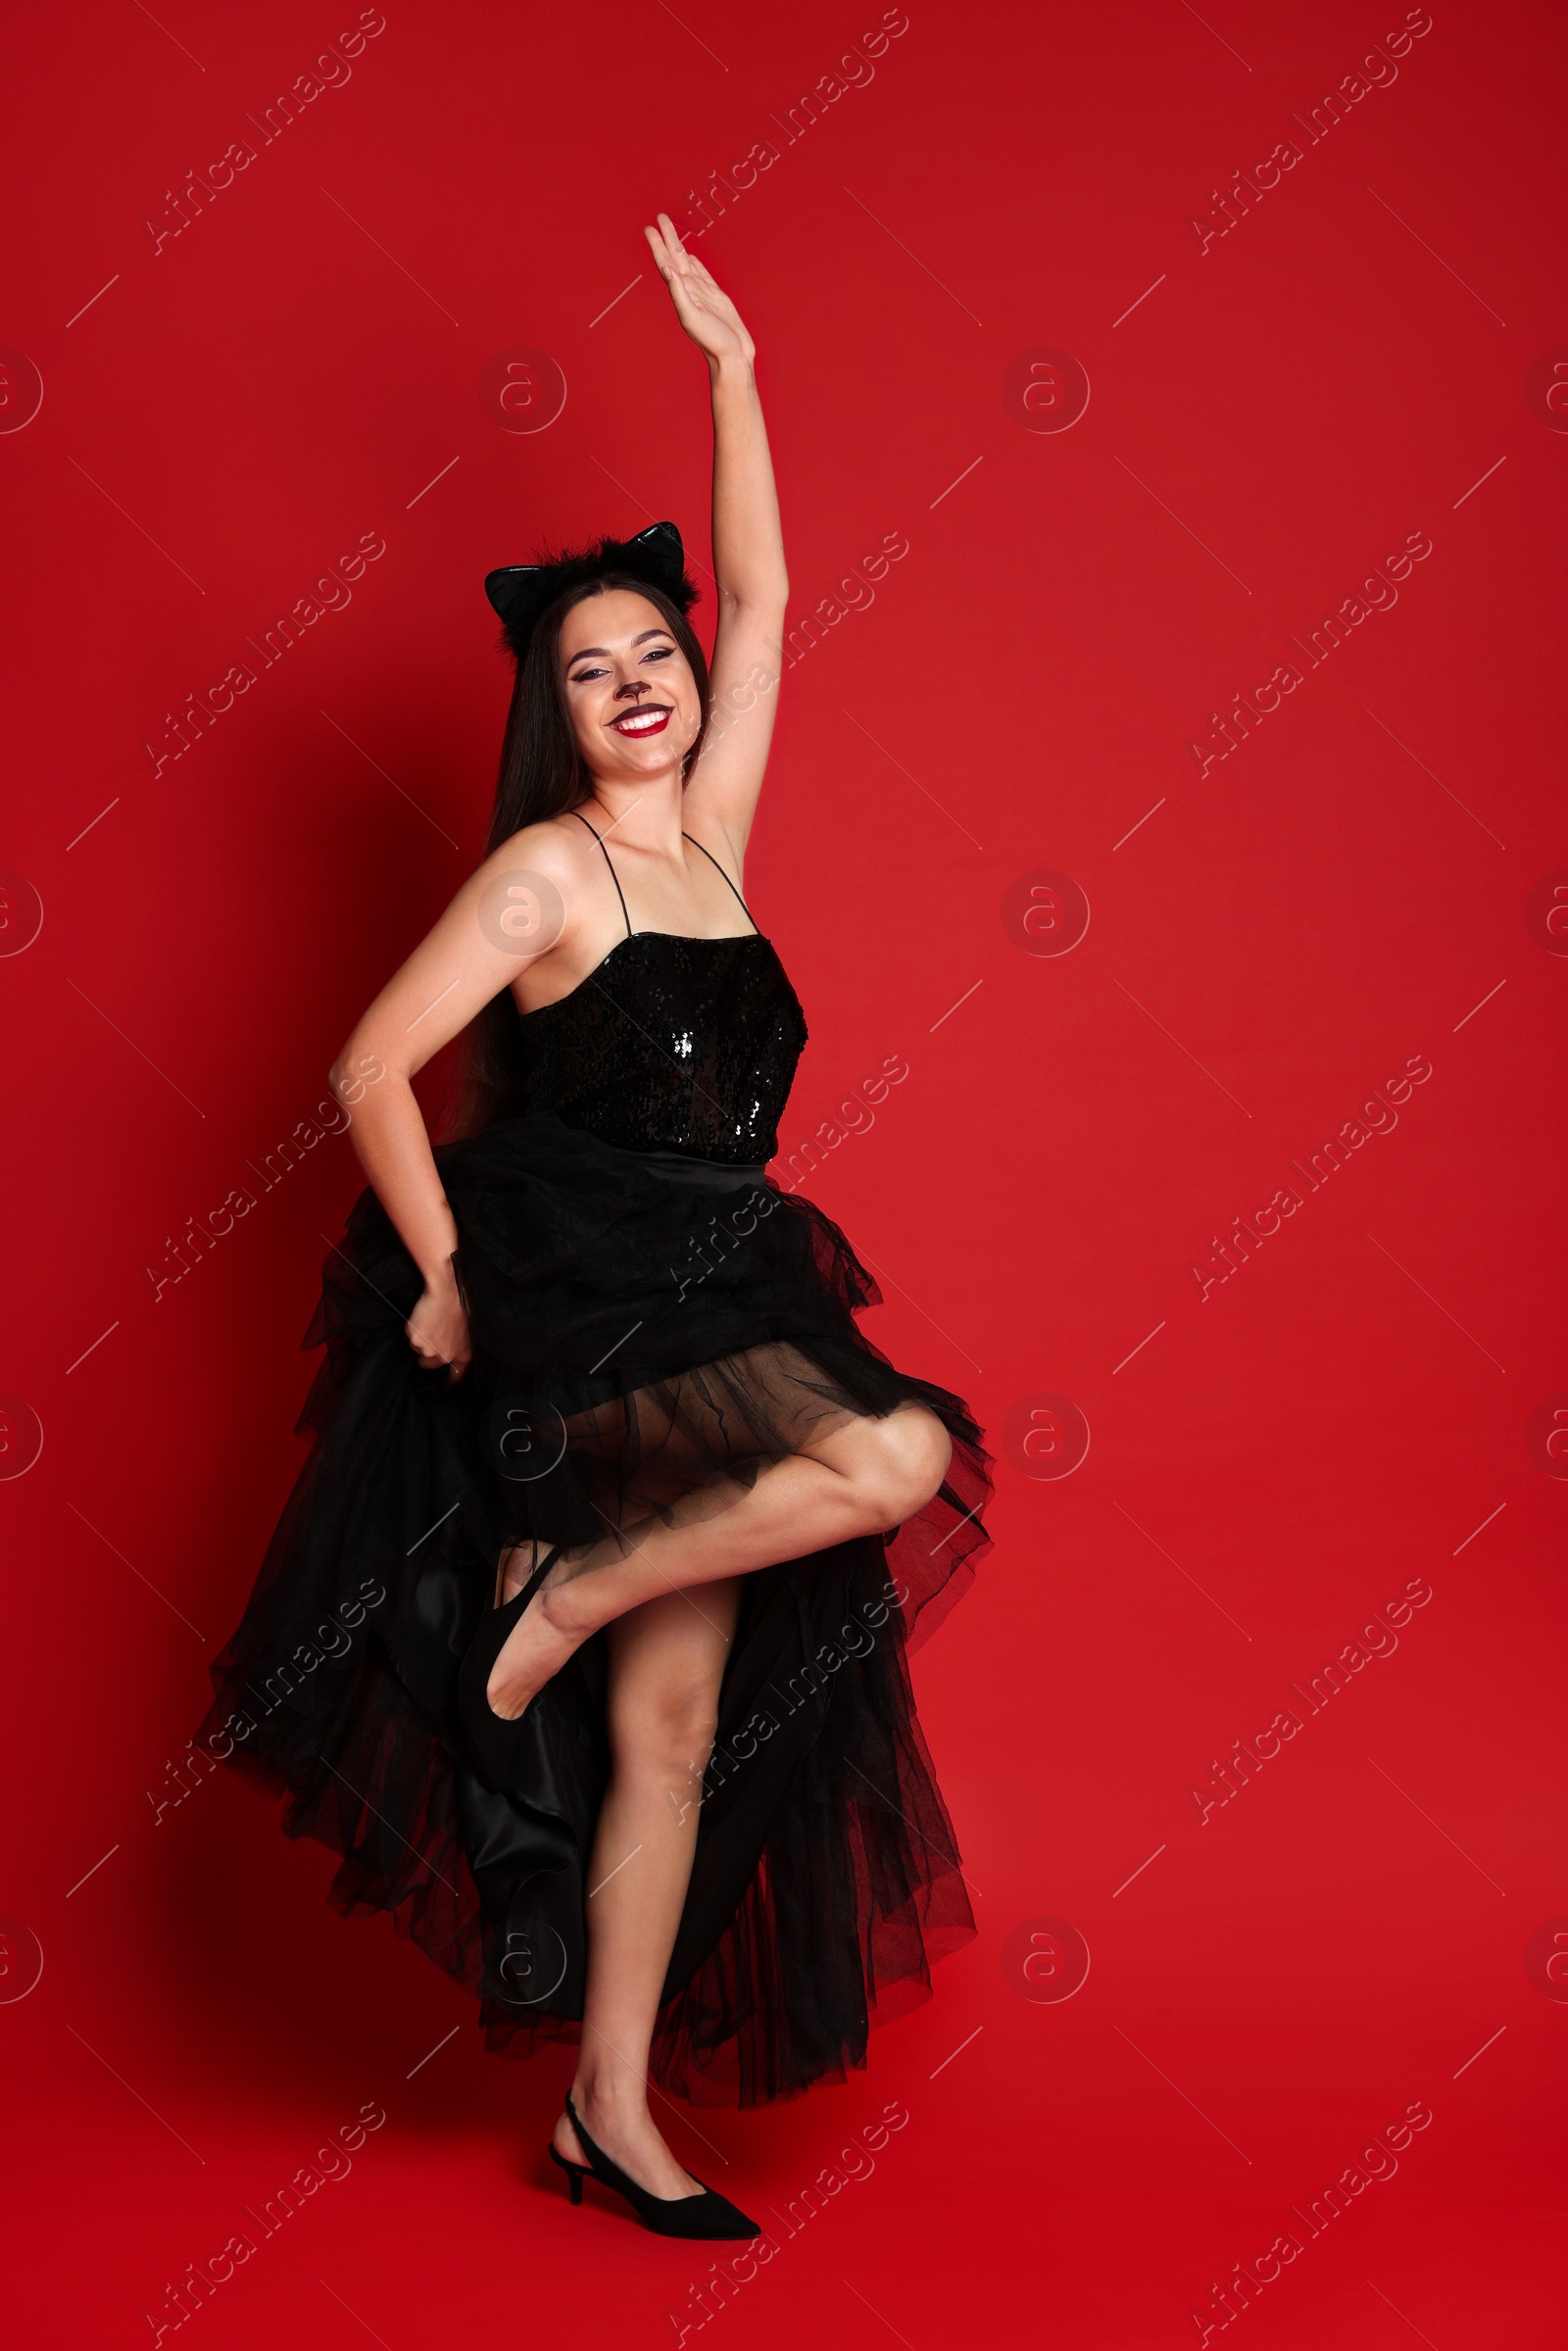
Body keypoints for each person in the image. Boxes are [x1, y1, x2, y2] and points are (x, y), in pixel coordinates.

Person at [198, 215, 991, 2239]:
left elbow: (774, 592)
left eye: (654, 656)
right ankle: (548, 1601)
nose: (637, 680)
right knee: (900, 1455)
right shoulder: (547, 878)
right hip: (593, 1310)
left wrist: (730, 373)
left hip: (728, 1281)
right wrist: (448, 1286)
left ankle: (606, 2116)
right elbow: (371, 1069)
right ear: (552, 711)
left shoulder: (712, 840)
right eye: (593, 666)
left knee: (678, 1718)